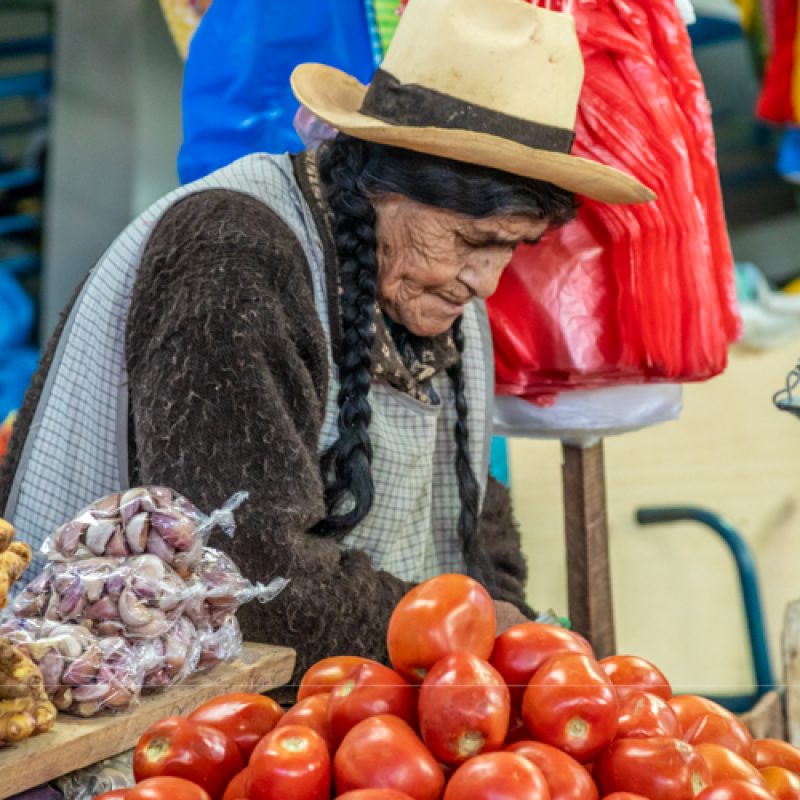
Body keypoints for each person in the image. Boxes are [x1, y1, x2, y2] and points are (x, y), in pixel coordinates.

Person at [0, 0, 653, 687]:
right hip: (122, 707)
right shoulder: (232, 251)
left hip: (342, 714)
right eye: (471, 240)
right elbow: (247, 577)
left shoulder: (438, 298)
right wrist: (478, 629)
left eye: (511, 248)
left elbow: (475, 525)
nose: (486, 282)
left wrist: (510, 637)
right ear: (384, 185)